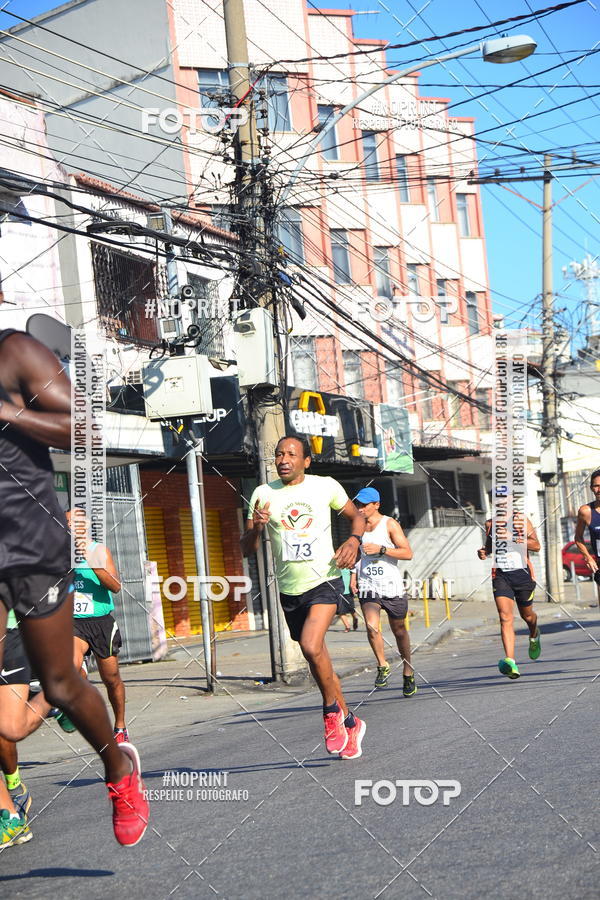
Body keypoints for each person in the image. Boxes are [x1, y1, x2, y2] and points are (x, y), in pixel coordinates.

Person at [0, 328, 148, 846]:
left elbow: (84, 429)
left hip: (31, 546)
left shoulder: (14, 352)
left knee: (61, 684)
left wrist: (6, 414)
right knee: (4, 718)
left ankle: (118, 770)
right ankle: (8, 806)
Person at [241, 436, 367, 759]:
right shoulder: (263, 493)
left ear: (306, 461)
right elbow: (247, 548)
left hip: (324, 580)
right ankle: (350, 721)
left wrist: (353, 541)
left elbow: (357, 517)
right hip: (289, 591)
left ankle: (330, 714)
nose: (283, 459)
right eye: (279, 453)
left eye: (291, 454)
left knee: (311, 645)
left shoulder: (325, 486)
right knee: (318, 657)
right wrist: (256, 528)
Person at [63, 509, 129, 743]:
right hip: (74, 623)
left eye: (74, 523)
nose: (69, 527)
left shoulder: (98, 550)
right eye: (67, 522)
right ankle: (74, 708)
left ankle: (120, 726)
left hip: (100, 622)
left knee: (111, 679)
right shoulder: (59, 553)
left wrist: (90, 561)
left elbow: (115, 586)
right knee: (70, 669)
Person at [350, 488, 416, 695]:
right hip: (368, 585)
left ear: (376, 505)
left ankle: (408, 671)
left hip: (391, 586)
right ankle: (382, 664)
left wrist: (382, 549)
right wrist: (353, 575)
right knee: (371, 626)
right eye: (357, 505)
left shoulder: (390, 524)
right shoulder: (357, 526)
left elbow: (407, 553)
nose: (359, 509)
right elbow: (356, 554)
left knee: (399, 631)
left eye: (364, 505)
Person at [477, 501, 541, 679]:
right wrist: (483, 552)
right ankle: (510, 661)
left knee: (527, 616)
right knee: (505, 617)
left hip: (522, 575)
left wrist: (512, 537)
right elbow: (489, 547)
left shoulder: (521, 520)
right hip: (501, 575)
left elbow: (536, 545)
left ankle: (534, 633)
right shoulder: (490, 524)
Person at [574, 469, 600, 599]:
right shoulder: (586, 512)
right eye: (596, 486)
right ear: (591, 488)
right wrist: (588, 557)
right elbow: (578, 537)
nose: (599, 489)